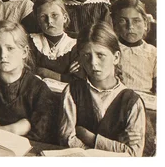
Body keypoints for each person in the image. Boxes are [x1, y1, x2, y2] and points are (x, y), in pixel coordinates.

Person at [59, 22, 145, 156]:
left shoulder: (132, 102)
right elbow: (67, 140)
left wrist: (89, 137)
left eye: (100, 55)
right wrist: (115, 144)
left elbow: (133, 154)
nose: (93, 63)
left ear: (116, 57)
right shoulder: (72, 91)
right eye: (86, 55)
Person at [0, 21, 56, 142]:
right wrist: (15, 129)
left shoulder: (38, 89)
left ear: (24, 52)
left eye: (10, 48)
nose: (3, 55)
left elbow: (41, 133)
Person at [29, 0, 79, 82]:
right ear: (38, 21)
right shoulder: (31, 41)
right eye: (43, 16)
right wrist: (64, 76)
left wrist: (46, 73)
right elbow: (27, 72)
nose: (49, 21)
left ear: (64, 18)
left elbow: (77, 79)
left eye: (54, 15)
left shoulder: (75, 45)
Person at [111, 0, 156, 94]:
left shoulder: (154, 53)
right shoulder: (110, 49)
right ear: (115, 25)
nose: (130, 26)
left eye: (136, 21)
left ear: (145, 22)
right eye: (123, 21)